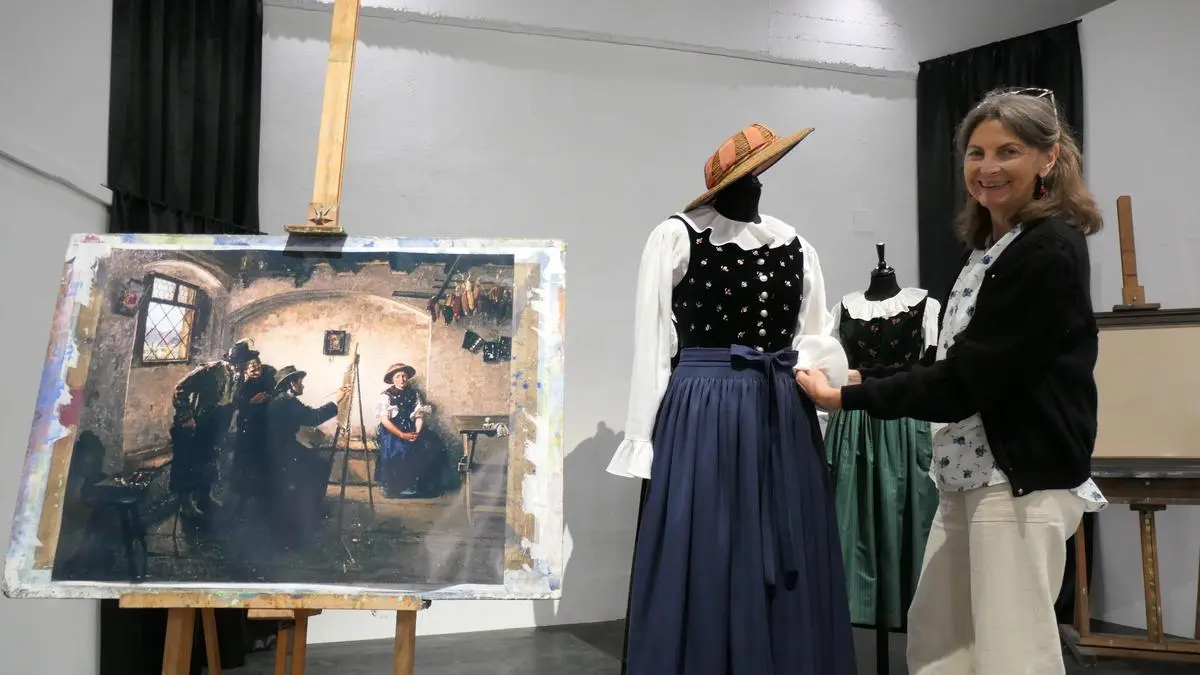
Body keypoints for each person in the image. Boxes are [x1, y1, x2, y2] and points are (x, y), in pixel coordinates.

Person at [795, 87, 1107, 675]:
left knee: (1013, 654)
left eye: (1009, 151)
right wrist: (863, 373)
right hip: (969, 474)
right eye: (976, 153)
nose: (988, 168)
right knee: (941, 644)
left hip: (1018, 480)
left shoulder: (1047, 250)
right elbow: (954, 359)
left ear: (1049, 158)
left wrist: (849, 396)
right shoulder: (992, 250)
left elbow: (969, 379)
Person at [609, 123, 857, 675]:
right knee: (710, 538)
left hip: (782, 408)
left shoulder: (796, 245)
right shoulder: (677, 236)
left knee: (784, 541)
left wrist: (814, 417)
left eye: (761, 172)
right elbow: (653, 343)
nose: (758, 184)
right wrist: (642, 437)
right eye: (749, 174)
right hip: (703, 409)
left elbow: (814, 340)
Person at [168, 339, 259, 520]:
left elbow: (232, 399)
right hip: (197, 423)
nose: (247, 366)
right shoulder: (210, 370)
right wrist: (186, 416)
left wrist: (248, 402)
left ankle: (205, 497)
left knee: (210, 461)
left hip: (217, 424)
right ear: (236, 361)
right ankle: (186, 504)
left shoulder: (240, 376)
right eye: (245, 361)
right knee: (189, 463)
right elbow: (180, 389)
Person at [375, 363, 432, 498]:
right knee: (398, 448)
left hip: (410, 427)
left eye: (404, 376)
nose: (401, 379)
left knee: (428, 444)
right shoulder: (386, 396)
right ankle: (394, 487)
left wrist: (417, 432)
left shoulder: (414, 394)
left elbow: (418, 416)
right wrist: (401, 434)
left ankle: (414, 486)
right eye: (398, 376)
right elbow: (385, 421)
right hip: (392, 429)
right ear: (392, 379)